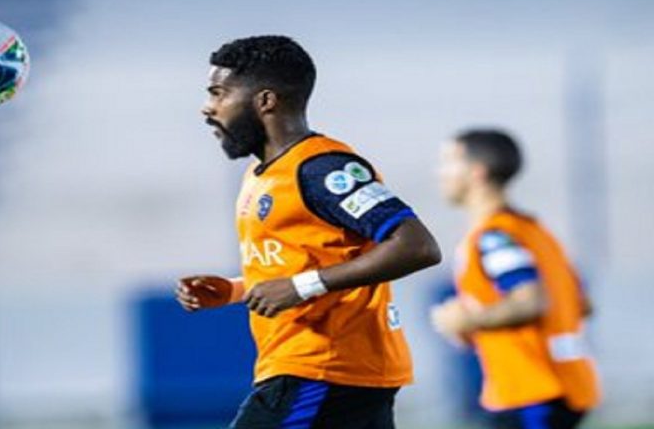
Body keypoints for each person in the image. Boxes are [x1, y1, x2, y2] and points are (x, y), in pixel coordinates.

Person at [175, 35, 441, 429]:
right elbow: (307, 264)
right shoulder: (261, 175)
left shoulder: (323, 169)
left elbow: (416, 246)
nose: (207, 107)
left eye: (218, 93)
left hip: (321, 368)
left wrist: (301, 287)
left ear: (266, 101)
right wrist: (233, 290)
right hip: (329, 371)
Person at [432, 129, 601, 428]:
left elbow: (530, 300)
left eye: (448, 162)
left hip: (531, 391)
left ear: (476, 172)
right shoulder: (535, 231)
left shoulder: (495, 237)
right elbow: (583, 304)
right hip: (564, 384)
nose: (440, 172)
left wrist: (468, 321)